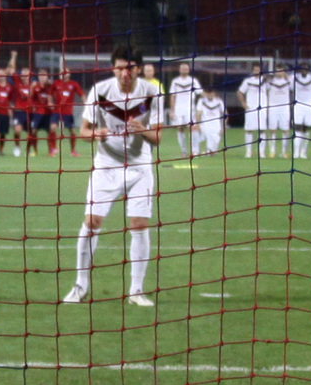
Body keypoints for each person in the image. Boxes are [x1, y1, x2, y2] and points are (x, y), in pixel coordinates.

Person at [63, 46, 165, 307]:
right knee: (92, 221)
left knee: (139, 224)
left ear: (138, 69)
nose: (124, 73)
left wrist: (142, 130)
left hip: (139, 168)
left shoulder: (152, 93)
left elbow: (157, 138)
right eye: (120, 68)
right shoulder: (100, 91)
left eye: (130, 68)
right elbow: (83, 132)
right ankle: (80, 286)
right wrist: (96, 134)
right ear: (113, 68)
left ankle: (136, 291)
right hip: (106, 166)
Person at [166, 61, 202, 158]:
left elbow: (200, 94)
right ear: (179, 70)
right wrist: (172, 111)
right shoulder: (175, 81)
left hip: (190, 108)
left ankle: (195, 151)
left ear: (189, 70)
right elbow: (172, 96)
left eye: (186, 68)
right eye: (182, 68)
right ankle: (184, 151)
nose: (184, 70)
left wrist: (198, 108)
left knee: (193, 128)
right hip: (178, 109)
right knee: (180, 128)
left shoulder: (193, 81)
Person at [289, 64, 311, 159]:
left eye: (306, 69)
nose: (304, 70)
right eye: (302, 69)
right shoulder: (293, 78)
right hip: (298, 105)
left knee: (306, 129)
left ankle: (303, 152)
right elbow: (291, 88)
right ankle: (296, 152)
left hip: (309, 106)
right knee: (297, 128)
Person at [262, 65, 292, 158]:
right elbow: (263, 89)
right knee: (272, 130)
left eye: (281, 71)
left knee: (285, 130)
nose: (279, 73)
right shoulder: (270, 81)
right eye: (277, 71)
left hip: (285, 107)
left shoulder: (288, 81)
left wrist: (287, 77)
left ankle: (284, 152)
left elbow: (293, 88)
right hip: (273, 107)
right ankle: (272, 151)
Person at [51, 68, 83, 157]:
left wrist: (86, 103)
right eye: (62, 72)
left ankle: (73, 151)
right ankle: (53, 148)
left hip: (68, 112)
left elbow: (82, 94)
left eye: (66, 72)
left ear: (69, 74)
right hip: (57, 111)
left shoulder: (73, 84)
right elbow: (50, 94)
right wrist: (50, 102)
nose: (64, 73)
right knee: (53, 127)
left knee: (72, 131)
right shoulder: (56, 83)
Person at [237, 64, 265, 159]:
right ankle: (248, 152)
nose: (257, 72)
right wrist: (243, 103)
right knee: (249, 130)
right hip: (251, 108)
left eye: (258, 70)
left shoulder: (265, 81)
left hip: (262, 108)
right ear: (252, 71)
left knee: (262, 130)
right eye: (255, 70)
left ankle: (261, 152)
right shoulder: (248, 81)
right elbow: (239, 92)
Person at [193, 86, 227, 155]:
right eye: (208, 93)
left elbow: (225, 114)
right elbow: (198, 113)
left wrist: (223, 127)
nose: (209, 95)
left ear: (214, 93)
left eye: (211, 93)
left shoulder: (219, 101)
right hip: (205, 125)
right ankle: (195, 151)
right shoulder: (201, 101)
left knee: (213, 150)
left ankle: (209, 150)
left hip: (216, 126)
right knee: (194, 131)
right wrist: (197, 124)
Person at [0, 72, 16, 155]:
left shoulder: (10, 87)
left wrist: (11, 111)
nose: (1, 76)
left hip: (5, 113)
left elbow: (10, 101)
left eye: (3, 75)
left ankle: (1, 149)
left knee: (3, 133)